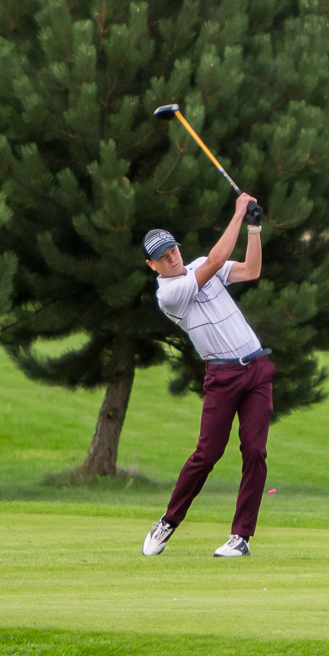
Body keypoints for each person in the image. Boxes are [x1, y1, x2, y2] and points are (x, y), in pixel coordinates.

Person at [141, 192, 271, 558]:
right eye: (163, 256)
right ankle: (168, 521)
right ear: (153, 266)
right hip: (222, 376)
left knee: (255, 451)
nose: (172, 257)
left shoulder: (198, 265)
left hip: (257, 368)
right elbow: (215, 261)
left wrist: (254, 227)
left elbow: (251, 270)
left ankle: (241, 537)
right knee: (207, 454)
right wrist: (238, 213)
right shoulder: (170, 294)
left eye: (173, 249)